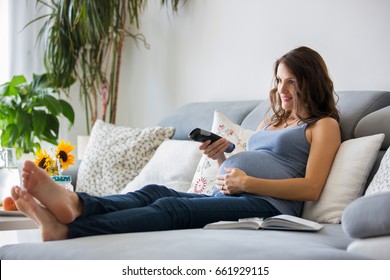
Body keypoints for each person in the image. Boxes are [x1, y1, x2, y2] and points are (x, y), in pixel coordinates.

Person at [11, 46, 341, 241]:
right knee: (155, 192)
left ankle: (68, 230)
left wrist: (247, 181)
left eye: (291, 82)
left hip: (270, 207)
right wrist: (221, 157)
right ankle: (77, 205)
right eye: (279, 81)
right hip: (235, 194)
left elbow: (311, 188)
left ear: (309, 82)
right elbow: (239, 170)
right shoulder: (273, 120)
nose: (282, 89)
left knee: (170, 209)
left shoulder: (323, 125)